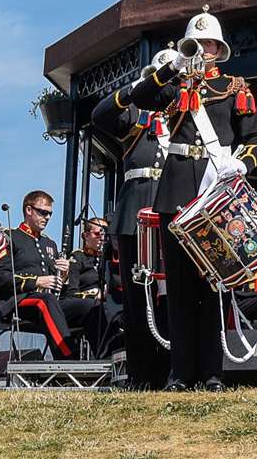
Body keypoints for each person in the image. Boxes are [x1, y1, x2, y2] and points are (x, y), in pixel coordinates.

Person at [131, 8, 257, 391]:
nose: (203, 49)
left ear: (219, 48)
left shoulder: (234, 88)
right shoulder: (173, 85)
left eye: (209, 44)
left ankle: (211, 372)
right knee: (178, 289)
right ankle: (180, 372)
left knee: (212, 288)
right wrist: (174, 63)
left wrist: (241, 164)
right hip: (175, 192)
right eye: (198, 43)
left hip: (213, 193)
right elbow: (139, 95)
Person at [89, 49, 180, 389]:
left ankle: (176, 370)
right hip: (136, 214)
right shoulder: (136, 117)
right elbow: (100, 115)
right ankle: (142, 375)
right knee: (138, 298)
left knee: (173, 296)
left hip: (173, 209)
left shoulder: (184, 116)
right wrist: (131, 90)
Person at [0, 190, 105, 358]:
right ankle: (68, 360)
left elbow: (56, 283)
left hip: (49, 305)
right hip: (17, 303)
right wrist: (37, 281)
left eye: (50, 214)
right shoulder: (10, 237)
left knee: (91, 306)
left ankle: (104, 360)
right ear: (28, 210)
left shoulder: (49, 243)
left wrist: (64, 274)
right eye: (43, 212)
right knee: (45, 301)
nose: (48, 217)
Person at [65, 218, 108, 300]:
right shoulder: (78, 256)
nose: (102, 238)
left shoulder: (109, 259)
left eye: (106, 234)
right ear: (86, 236)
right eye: (98, 234)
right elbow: (71, 293)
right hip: (85, 303)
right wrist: (92, 294)